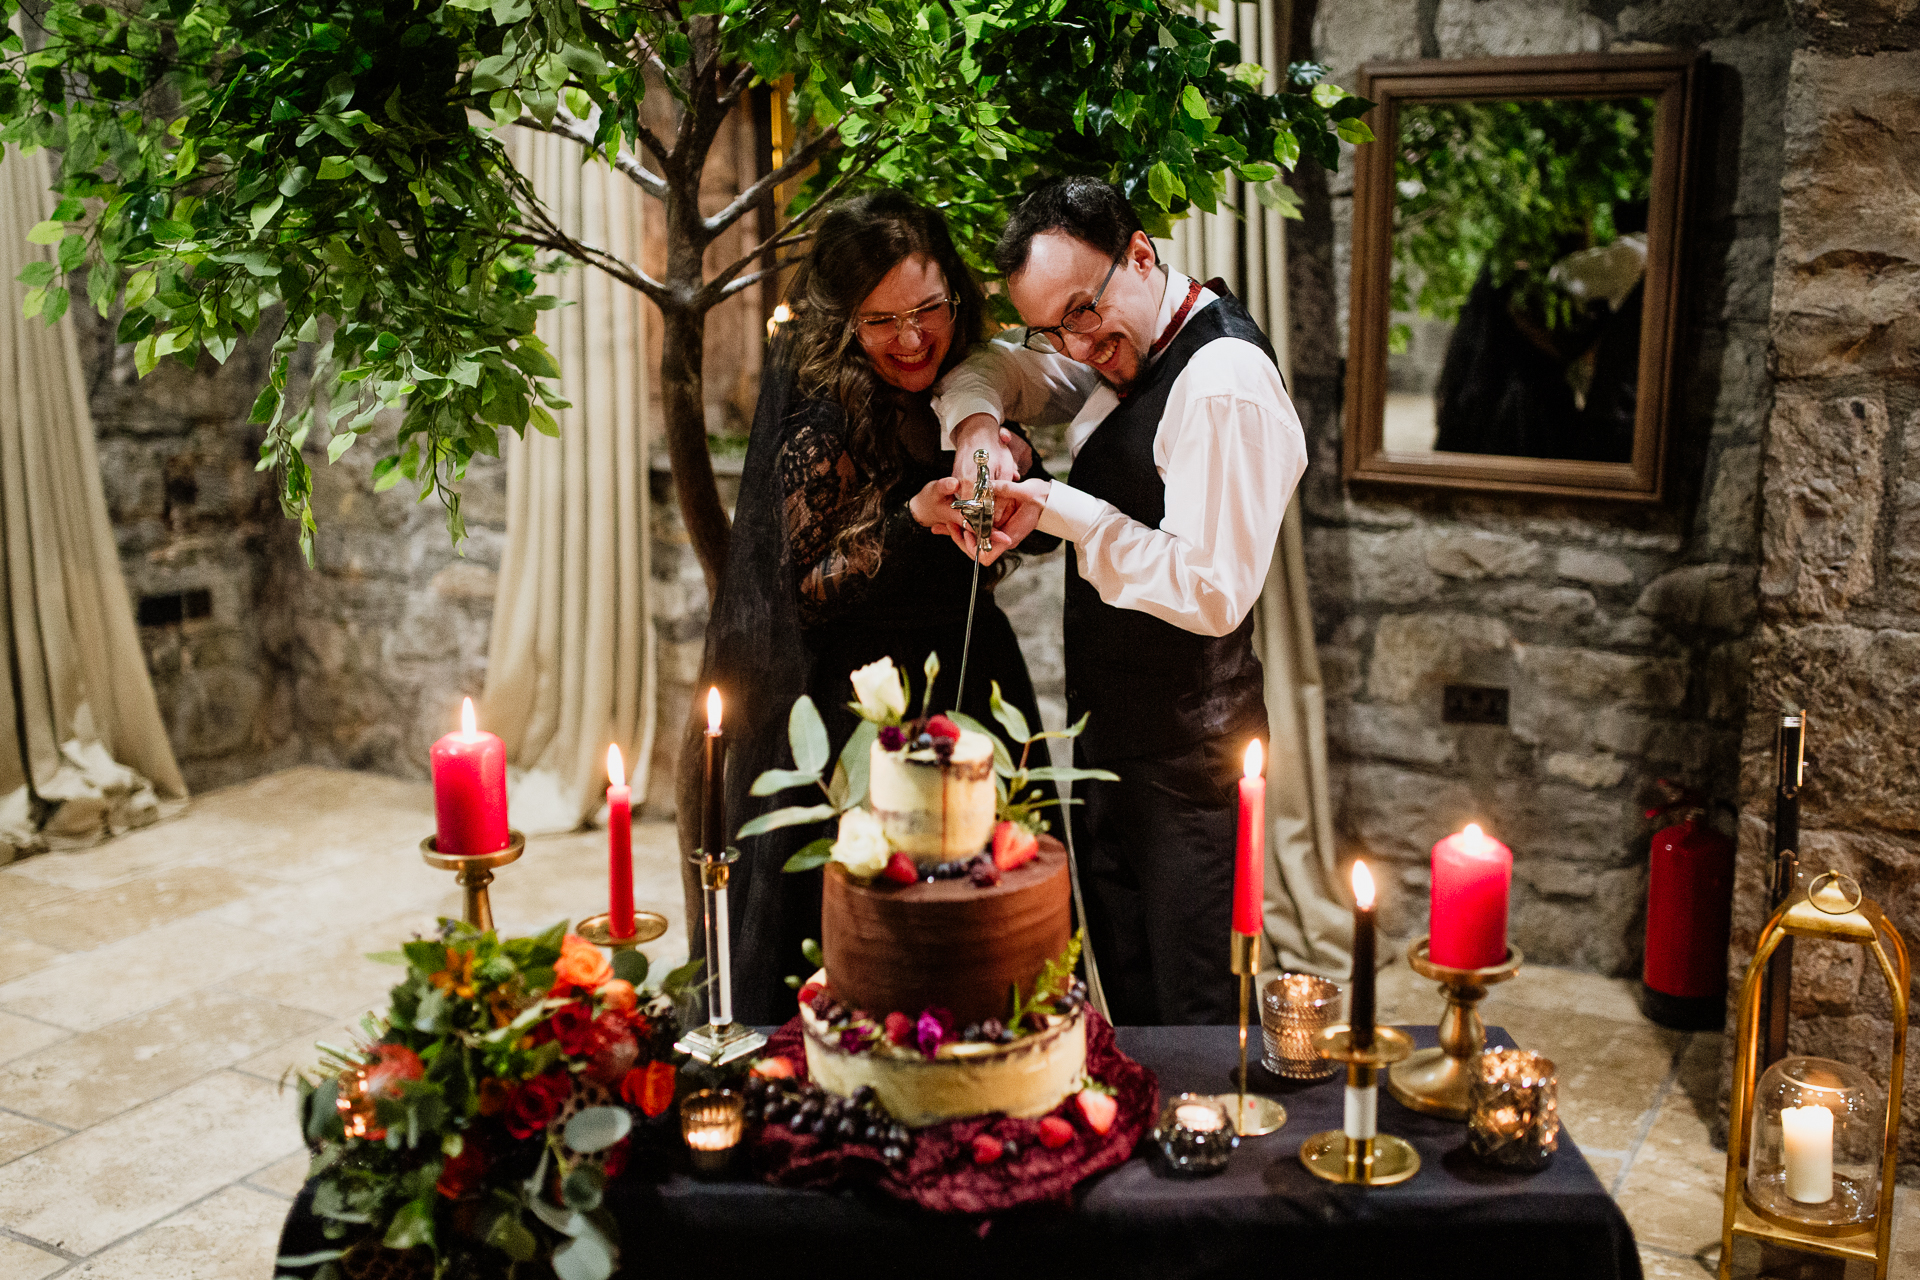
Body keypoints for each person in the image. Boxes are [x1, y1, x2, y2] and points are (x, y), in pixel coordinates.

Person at [932, 177, 1307, 1025]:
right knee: (1133, 1009)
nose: (1076, 341)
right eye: (1053, 325)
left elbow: (1213, 591)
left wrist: (1060, 511)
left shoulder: (1221, 382)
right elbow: (992, 367)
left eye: (1083, 310)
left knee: (1200, 1021)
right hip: (1111, 744)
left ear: (1140, 254)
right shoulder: (1125, 344)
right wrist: (979, 432)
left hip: (1190, 765)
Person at [698, 190, 1057, 1026]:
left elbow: (1016, 534)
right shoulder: (825, 417)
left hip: (974, 674)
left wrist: (1023, 473)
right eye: (880, 320)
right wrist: (910, 523)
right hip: (861, 709)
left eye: (929, 309)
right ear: (843, 322)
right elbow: (799, 593)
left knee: (989, 924)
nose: (910, 338)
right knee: (876, 945)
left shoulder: (971, 387)